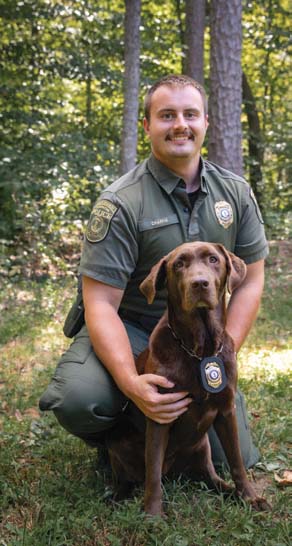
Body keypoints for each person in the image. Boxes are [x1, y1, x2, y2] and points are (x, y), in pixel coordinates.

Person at [39, 74, 268, 468]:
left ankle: (167, 432)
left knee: (237, 461)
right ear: (147, 126)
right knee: (80, 400)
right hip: (134, 328)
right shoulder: (121, 202)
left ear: (206, 123)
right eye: (166, 115)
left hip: (201, 336)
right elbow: (99, 304)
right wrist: (132, 381)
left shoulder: (235, 193)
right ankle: (121, 441)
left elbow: (252, 281)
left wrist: (220, 351)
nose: (180, 124)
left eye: (190, 114)